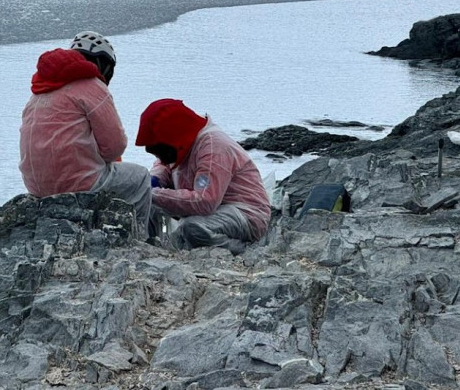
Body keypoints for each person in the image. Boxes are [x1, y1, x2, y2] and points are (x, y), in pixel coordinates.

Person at [19, 31, 152, 237]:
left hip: (36, 186)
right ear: (104, 65)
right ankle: (139, 238)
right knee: (141, 178)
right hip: (77, 184)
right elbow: (115, 146)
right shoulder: (92, 85)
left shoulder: (39, 91)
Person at [135, 98, 271, 253]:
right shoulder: (179, 143)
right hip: (216, 209)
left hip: (245, 212)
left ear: (174, 140)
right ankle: (159, 247)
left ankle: (245, 251)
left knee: (193, 227)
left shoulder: (214, 148)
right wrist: (155, 179)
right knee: (151, 206)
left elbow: (205, 201)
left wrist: (154, 193)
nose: (161, 158)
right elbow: (164, 164)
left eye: (160, 152)